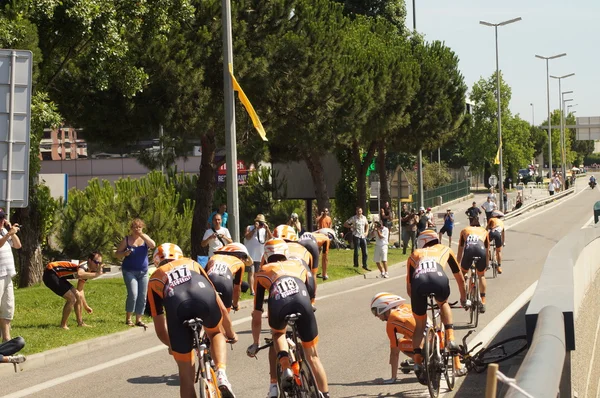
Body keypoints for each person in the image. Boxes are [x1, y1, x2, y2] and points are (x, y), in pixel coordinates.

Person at [147, 243, 238, 398]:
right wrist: (230, 333)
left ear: (156, 262)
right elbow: (221, 306)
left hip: (177, 306)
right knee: (215, 332)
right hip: (202, 295)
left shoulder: (154, 278)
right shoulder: (192, 263)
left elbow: (160, 327)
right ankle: (221, 373)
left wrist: (172, 345)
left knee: (185, 378)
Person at [246, 239, 329, 398]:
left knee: (278, 334)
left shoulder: (262, 271)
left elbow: (257, 313)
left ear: (266, 255)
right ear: (286, 253)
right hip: (302, 301)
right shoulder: (299, 265)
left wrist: (256, 343)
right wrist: (310, 303)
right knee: (313, 356)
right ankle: (325, 394)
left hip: (279, 303)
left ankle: (285, 367)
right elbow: (312, 289)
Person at [406, 230, 467, 382]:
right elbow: (459, 278)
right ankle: (451, 338)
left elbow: (409, 287)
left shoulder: (415, 254)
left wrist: (418, 305)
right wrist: (463, 298)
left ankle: (418, 363)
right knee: (443, 302)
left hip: (418, 284)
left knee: (420, 325)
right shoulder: (446, 249)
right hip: (438, 279)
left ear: (423, 241)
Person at [42, 252, 104, 329]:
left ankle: (80, 323)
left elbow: (80, 290)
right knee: (72, 299)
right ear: (90, 260)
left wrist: (86, 306)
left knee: (77, 295)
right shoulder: (84, 266)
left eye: (99, 263)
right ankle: (63, 325)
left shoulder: (88, 270)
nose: (97, 265)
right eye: (96, 262)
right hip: (50, 273)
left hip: (59, 276)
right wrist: (97, 274)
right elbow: (80, 274)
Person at [115, 218, 156, 328]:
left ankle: (139, 319)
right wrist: (124, 253)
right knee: (133, 294)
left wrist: (142, 235)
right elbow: (117, 254)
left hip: (143, 272)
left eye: (139, 227)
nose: (137, 229)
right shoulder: (127, 240)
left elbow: (153, 245)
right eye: (135, 227)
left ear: (142, 228)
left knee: (142, 295)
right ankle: (128, 318)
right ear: (131, 229)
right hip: (129, 271)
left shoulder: (145, 239)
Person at [370, 292, 416, 384]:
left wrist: (393, 378)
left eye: (376, 312)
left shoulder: (391, 320)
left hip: (423, 345)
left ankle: (420, 360)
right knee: (407, 336)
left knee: (399, 343)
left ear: (384, 307)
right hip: (434, 339)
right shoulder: (408, 307)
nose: (376, 316)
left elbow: (394, 353)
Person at [206, 243, 253, 312]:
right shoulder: (239, 262)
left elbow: (203, 275)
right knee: (225, 317)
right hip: (225, 283)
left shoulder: (213, 257)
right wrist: (235, 304)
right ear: (238, 255)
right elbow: (237, 288)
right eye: (244, 257)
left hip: (209, 282)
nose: (244, 261)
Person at [457, 226, 490, 313]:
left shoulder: (464, 230)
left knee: (463, 273)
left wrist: (457, 265)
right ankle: (483, 300)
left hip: (469, 250)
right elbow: (487, 250)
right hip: (481, 250)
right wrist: (487, 264)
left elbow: (460, 249)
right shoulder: (484, 231)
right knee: (481, 275)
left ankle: (464, 299)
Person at [0, 209, 21, 342]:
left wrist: (11, 231)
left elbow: (18, 245)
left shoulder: (3, 231)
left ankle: (7, 340)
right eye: (0, 218)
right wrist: (8, 234)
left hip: (7, 275)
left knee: (7, 308)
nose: (1, 220)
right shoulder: (4, 235)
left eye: (2, 218)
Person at [244, 214, 272, 296]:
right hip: (250, 254)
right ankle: (252, 290)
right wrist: (255, 229)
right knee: (251, 272)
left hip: (259, 255)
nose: (261, 224)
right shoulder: (250, 228)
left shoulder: (264, 230)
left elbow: (270, 239)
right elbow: (247, 237)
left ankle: (256, 288)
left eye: (262, 223)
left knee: (257, 273)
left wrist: (267, 229)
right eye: (260, 222)